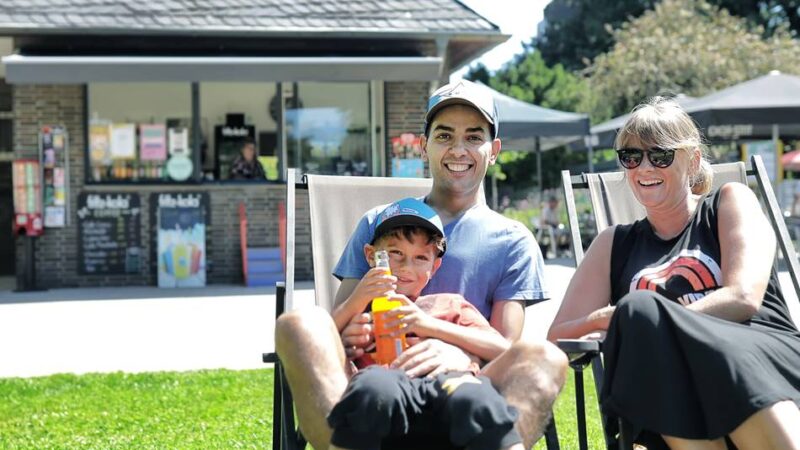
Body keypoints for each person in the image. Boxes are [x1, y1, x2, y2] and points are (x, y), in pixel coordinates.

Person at [276, 79, 567, 450]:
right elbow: (337, 328)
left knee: (546, 357)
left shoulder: (513, 240)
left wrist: (456, 349)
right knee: (300, 323)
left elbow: (505, 348)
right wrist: (349, 337)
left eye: (473, 137)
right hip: (375, 392)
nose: (458, 149)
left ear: (493, 150)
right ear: (424, 145)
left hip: (465, 394)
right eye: (444, 136)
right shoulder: (379, 222)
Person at [547, 97, 800, 450]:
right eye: (631, 157)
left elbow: (744, 297)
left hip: (759, 357)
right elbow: (558, 334)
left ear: (693, 159)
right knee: (637, 313)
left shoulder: (729, 202)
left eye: (660, 155)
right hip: (671, 389)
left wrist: (653, 326)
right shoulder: (613, 244)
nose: (644, 168)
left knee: (642, 312)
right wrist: (612, 320)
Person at [328, 197, 523, 450]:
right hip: (385, 390)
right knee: (371, 390)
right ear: (370, 256)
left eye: (421, 258)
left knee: (476, 397)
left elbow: (505, 350)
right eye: (395, 253)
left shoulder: (449, 304)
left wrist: (427, 325)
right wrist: (357, 300)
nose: (406, 267)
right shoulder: (358, 316)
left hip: (449, 387)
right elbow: (317, 342)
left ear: (435, 266)